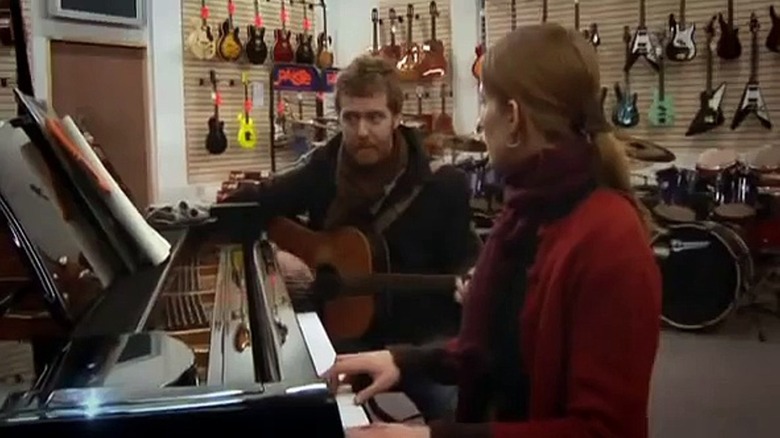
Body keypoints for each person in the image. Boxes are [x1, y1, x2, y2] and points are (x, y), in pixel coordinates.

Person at [323, 23, 662, 438]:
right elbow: (487, 352)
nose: (481, 122)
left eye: (485, 104)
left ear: (514, 118)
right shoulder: (524, 212)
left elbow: (602, 430)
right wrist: (402, 362)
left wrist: (432, 436)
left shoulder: (610, 238)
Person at [221, 54, 480, 420]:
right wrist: (198, 223)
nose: (361, 131)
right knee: (289, 414)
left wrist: (472, 277)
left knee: (462, 412)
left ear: (396, 118)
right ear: (338, 118)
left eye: (374, 117)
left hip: (422, 345)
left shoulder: (441, 185)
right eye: (351, 118)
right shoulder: (323, 169)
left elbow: (467, 257)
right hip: (347, 338)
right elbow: (262, 201)